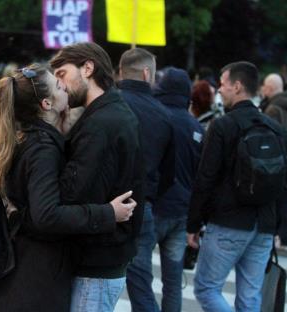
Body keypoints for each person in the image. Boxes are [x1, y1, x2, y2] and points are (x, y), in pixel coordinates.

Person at [0, 63, 136, 312]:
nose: (64, 86)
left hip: (23, 270)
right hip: (35, 277)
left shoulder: (30, 137)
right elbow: (46, 215)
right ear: (46, 104)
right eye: (57, 86)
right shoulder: (43, 148)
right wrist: (108, 213)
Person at [50, 42, 145, 312]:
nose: (59, 85)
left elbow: (71, 194)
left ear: (88, 68)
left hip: (97, 261)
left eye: (61, 74)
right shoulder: (110, 113)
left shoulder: (101, 123)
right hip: (103, 256)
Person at [187, 61, 287, 311]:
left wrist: (193, 223)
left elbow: (205, 178)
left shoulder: (223, 126)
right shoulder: (276, 129)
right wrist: (278, 227)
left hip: (227, 221)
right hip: (264, 223)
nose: (219, 90)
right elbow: (283, 182)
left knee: (207, 288)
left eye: (223, 84)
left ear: (238, 86)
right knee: (250, 297)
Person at [117, 48, 175, 312]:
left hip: (98, 206)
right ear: (147, 73)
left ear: (120, 72)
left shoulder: (107, 102)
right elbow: (168, 172)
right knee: (141, 286)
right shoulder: (163, 114)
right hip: (142, 205)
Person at [152, 67, 204, 312]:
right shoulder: (197, 128)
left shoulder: (156, 119)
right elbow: (201, 176)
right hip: (182, 212)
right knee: (172, 282)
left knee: (139, 274)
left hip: (155, 207)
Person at [262, 73, 287, 250]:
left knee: (281, 200)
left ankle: (282, 237)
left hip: (281, 162)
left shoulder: (272, 109)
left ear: (269, 88)